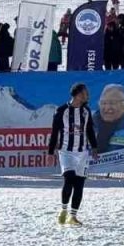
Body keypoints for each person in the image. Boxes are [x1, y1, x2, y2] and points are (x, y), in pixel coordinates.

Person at [49, 83, 99, 225]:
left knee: (79, 184)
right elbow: (54, 132)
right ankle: (63, 209)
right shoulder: (61, 110)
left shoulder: (86, 112)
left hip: (82, 152)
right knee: (69, 179)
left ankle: (73, 215)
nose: (87, 95)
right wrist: (50, 151)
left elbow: (89, 130)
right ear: (77, 95)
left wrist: (94, 147)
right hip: (66, 151)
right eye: (84, 93)